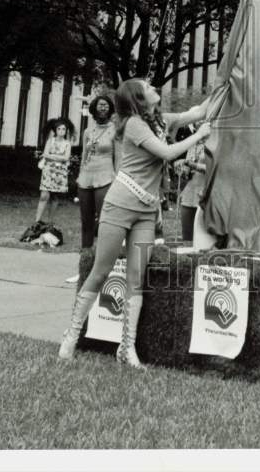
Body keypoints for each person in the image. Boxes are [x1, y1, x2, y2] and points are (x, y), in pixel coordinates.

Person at [58, 79, 210, 365]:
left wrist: (225, 85)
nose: (154, 88)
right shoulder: (133, 125)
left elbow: (198, 111)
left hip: (146, 210)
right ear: (139, 99)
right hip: (120, 204)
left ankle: (126, 348)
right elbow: (166, 153)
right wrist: (199, 136)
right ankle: (71, 335)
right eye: (148, 87)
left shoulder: (161, 121)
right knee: (101, 271)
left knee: (136, 278)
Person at [76, 94, 120, 250]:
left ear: (110, 109)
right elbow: (83, 156)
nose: (103, 107)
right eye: (100, 105)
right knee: (86, 220)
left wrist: (116, 178)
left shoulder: (115, 130)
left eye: (106, 105)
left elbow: (118, 157)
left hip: (106, 177)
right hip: (86, 177)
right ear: (94, 108)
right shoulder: (88, 131)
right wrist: (80, 176)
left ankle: (103, 256)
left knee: (104, 220)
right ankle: (85, 254)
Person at [36, 118, 74, 226]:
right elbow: (45, 154)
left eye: (64, 129)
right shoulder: (50, 141)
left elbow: (66, 158)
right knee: (44, 195)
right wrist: (58, 157)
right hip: (48, 170)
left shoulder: (67, 144)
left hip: (60, 172)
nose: (62, 131)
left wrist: (52, 156)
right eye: (59, 129)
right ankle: (37, 221)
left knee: (55, 197)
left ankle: (50, 222)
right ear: (55, 130)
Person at [178, 130, 208, 240]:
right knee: (187, 237)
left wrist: (191, 165)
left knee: (204, 238)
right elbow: (187, 166)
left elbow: (215, 169)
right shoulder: (193, 143)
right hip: (189, 193)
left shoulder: (217, 142)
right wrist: (183, 170)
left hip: (207, 194)